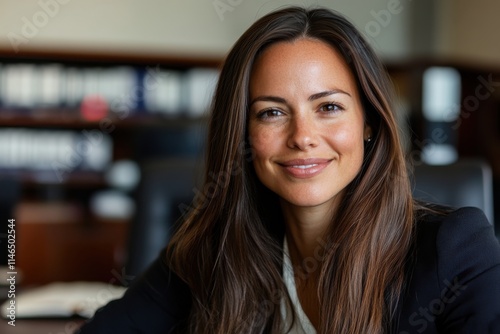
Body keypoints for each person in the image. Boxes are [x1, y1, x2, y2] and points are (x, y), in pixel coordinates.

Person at [77, 6, 500, 334]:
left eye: (329, 107)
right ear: (242, 133)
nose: (303, 136)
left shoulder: (456, 249)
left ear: (368, 122)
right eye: (272, 113)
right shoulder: (211, 252)